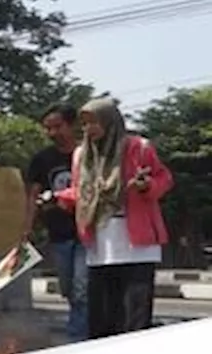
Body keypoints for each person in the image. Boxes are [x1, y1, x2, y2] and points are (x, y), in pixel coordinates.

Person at [55, 97, 173, 339]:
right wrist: (58, 197)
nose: (89, 129)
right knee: (101, 318)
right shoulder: (82, 154)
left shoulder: (138, 147)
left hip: (136, 244)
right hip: (99, 241)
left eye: (94, 122)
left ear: (110, 121)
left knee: (134, 317)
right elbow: (81, 191)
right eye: (85, 124)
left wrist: (146, 185)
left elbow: (164, 180)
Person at [24, 103, 88, 341]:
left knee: (82, 288)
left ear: (72, 125)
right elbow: (32, 195)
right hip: (58, 233)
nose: (52, 133)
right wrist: (27, 228)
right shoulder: (42, 159)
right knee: (69, 288)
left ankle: (78, 338)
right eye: (48, 128)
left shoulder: (88, 155)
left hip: (86, 233)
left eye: (57, 127)